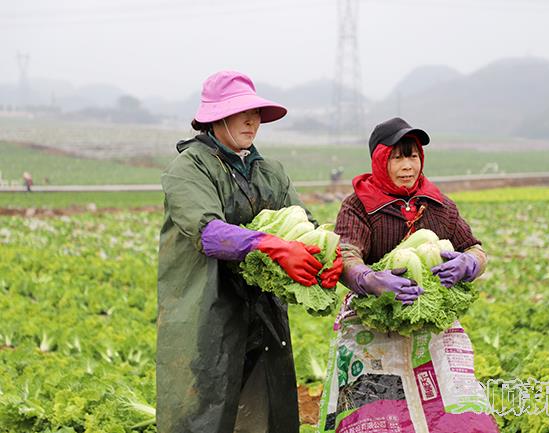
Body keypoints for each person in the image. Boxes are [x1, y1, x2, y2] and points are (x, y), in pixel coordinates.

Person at [156, 70, 342, 433]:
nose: (252, 120)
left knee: (264, 414)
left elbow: (305, 222)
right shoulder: (189, 168)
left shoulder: (269, 171)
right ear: (215, 117)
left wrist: (327, 254)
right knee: (203, 415)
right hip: (205, 313)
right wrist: (271, 245)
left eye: (256, 112)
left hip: (263, 313)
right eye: (242, 111)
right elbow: (208, 233)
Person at [321, 117, 497, 432]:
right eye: (397, 156)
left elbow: (475, 249)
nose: (408, 165)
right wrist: (368, 280)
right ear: (380, 160)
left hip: (430, 326)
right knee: (381, 417)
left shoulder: (439, 205)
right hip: (374, 325)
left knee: (454, 415)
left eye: (412, 155)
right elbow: (347, 254)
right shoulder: (359, 206)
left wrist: (468, 264)